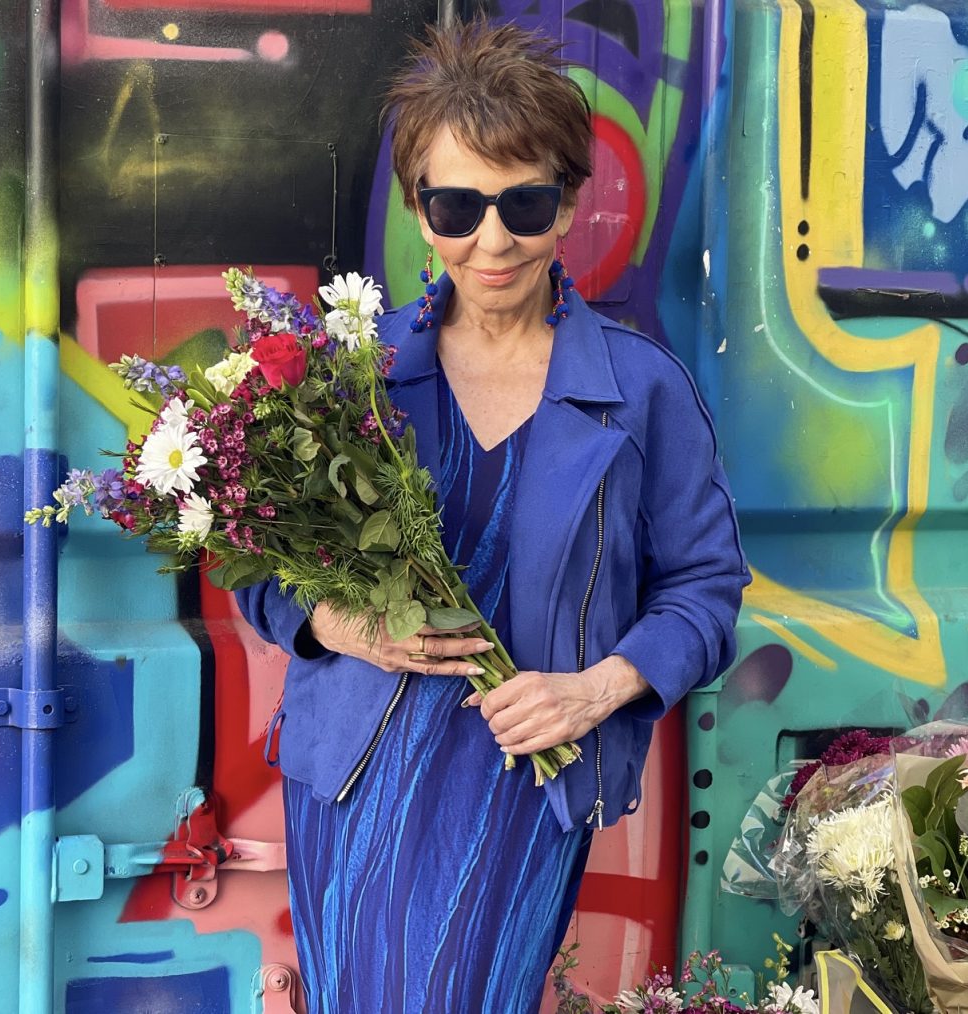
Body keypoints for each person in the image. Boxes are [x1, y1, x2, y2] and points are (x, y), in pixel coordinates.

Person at [236, 16, 750, 1014]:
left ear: (567, 201)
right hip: (354, 778)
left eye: (524, 201)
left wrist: (598, 690)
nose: (492, 239)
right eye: (457, 205)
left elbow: (707, 589)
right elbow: (258, 564)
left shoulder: (639, 389)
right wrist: (328, 622)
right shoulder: (353, 380)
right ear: (420, 211)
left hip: (524, 787)